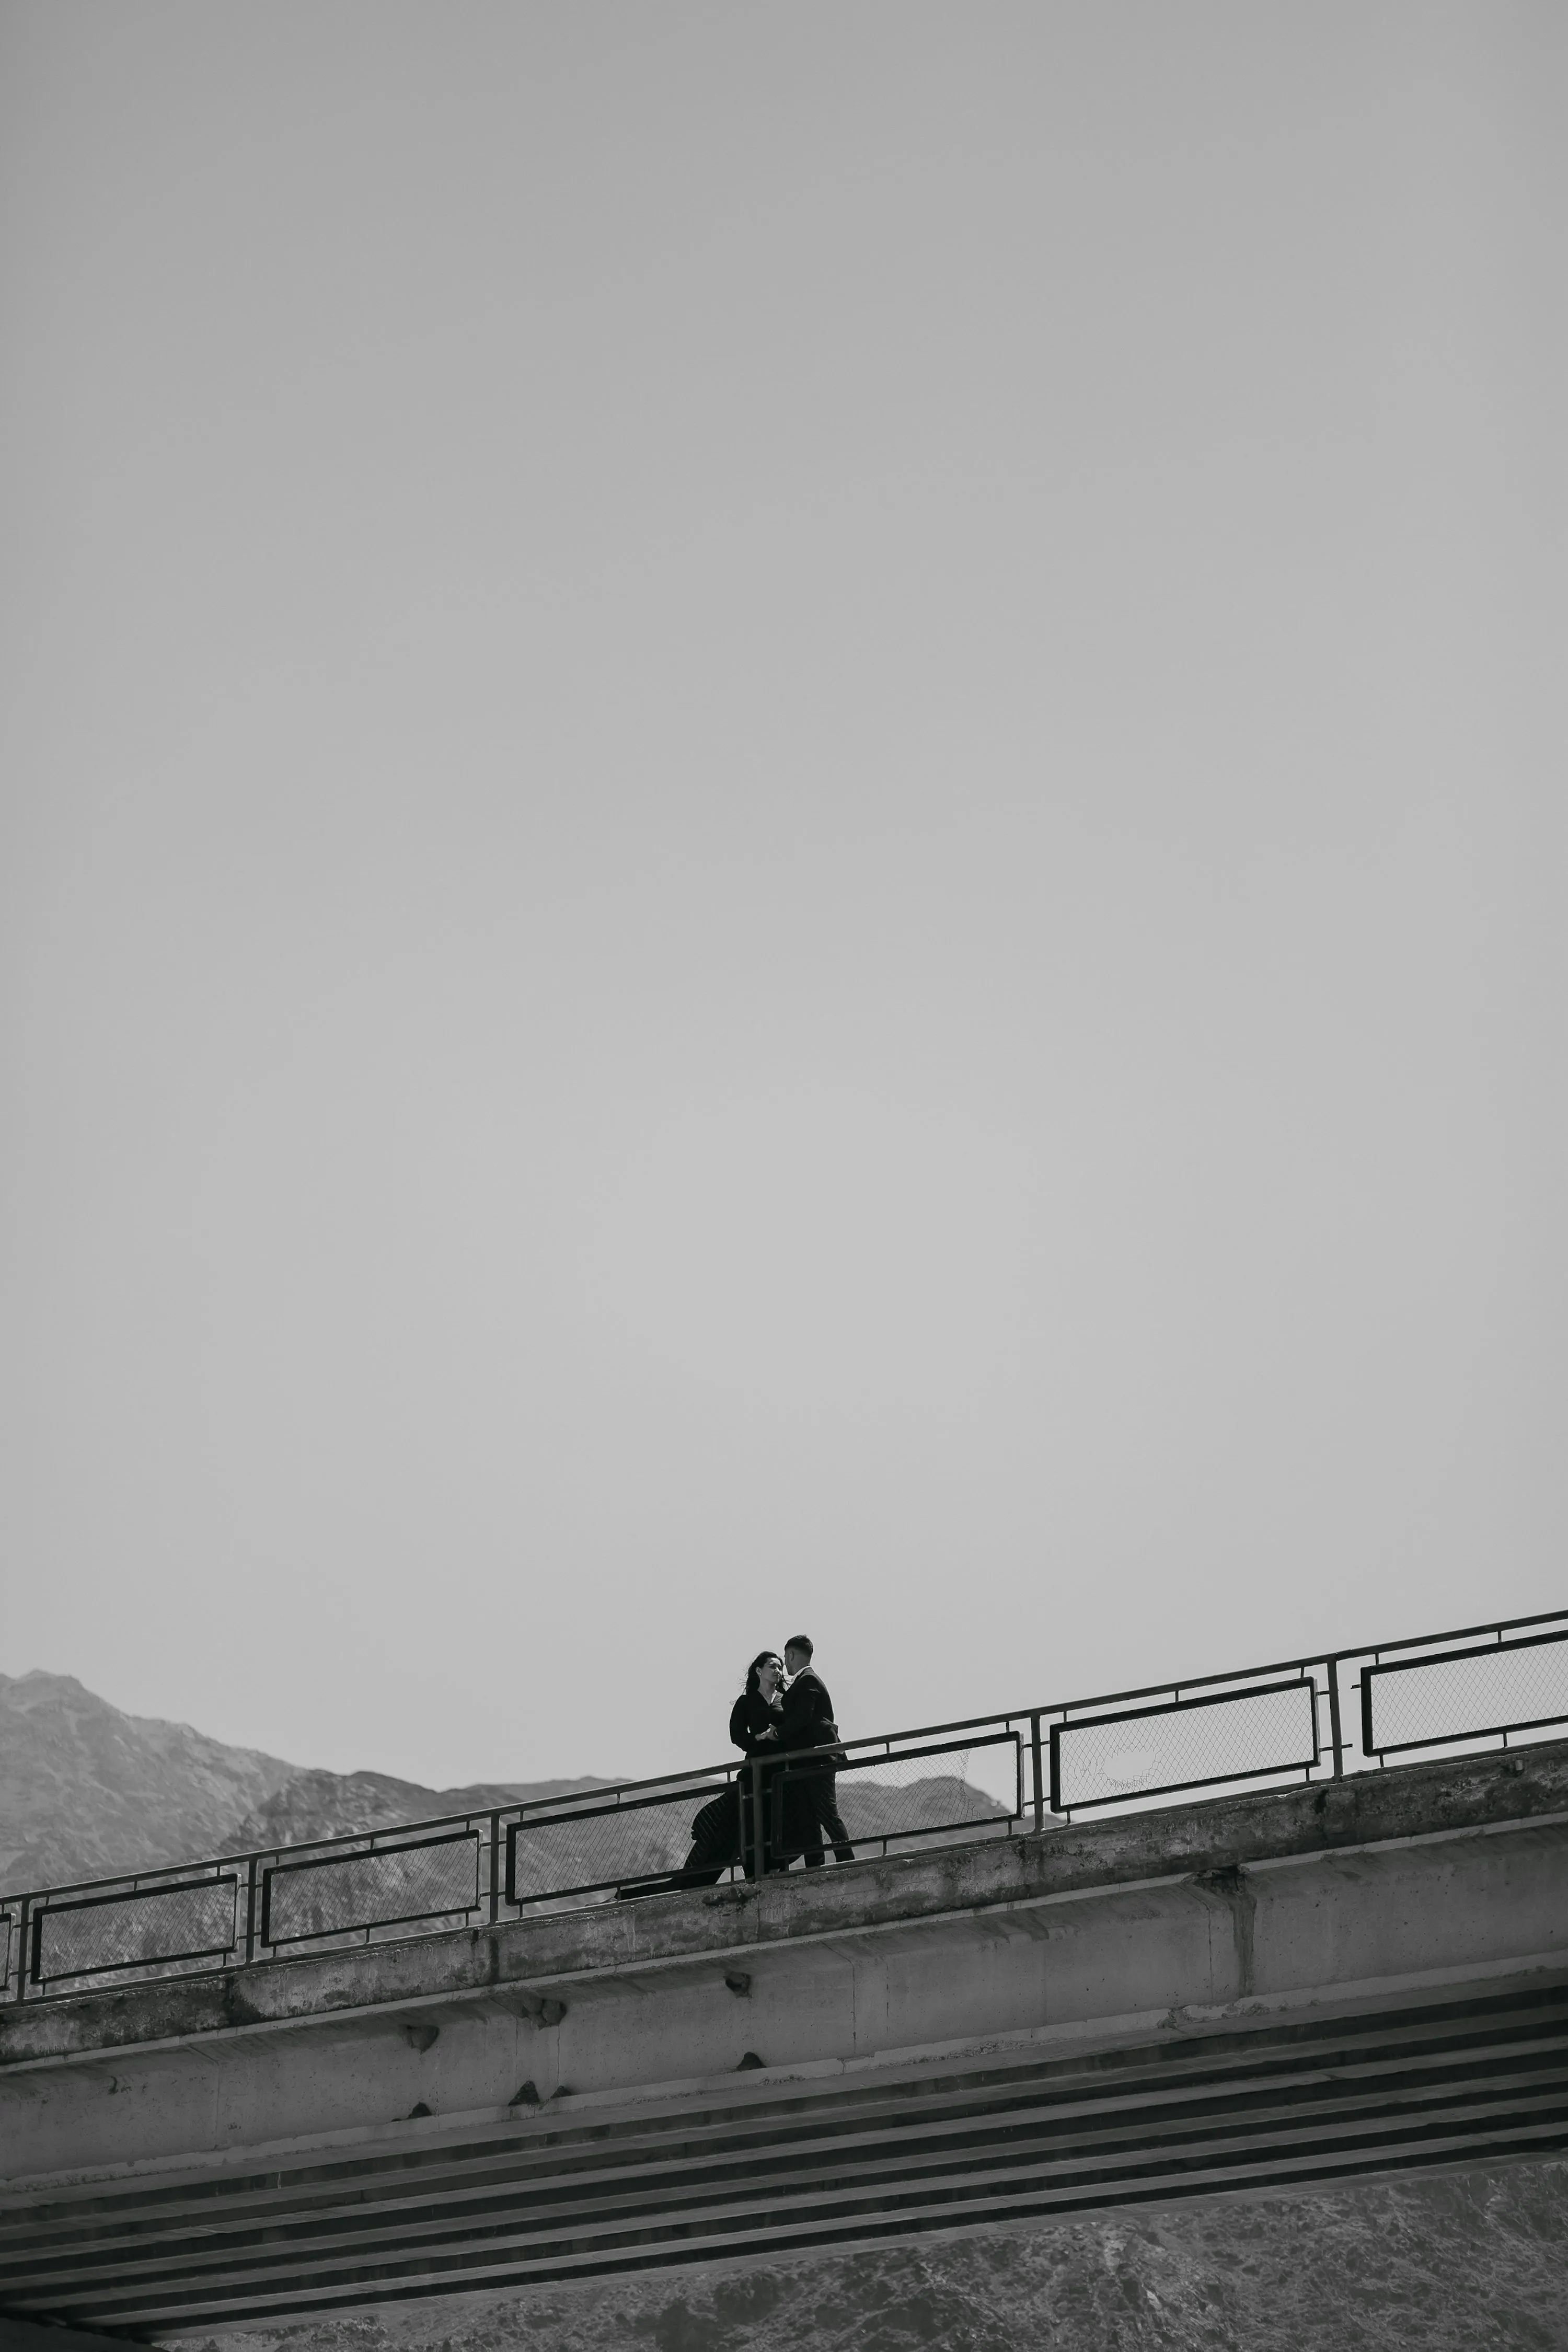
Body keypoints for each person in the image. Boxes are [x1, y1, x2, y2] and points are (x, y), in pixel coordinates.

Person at [677, 1651, 785, 1885]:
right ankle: (752, 1876)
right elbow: (736, 1736)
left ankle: (777, 1872)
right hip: (755, 1770)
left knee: (778, 1822)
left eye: (780, 1667)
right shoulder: (746, 1702)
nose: (778, 1671)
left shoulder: (785, 1699)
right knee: (750, 1823)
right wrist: (757, 1739)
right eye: (772, 1666)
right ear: (759, 1671)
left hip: (781, 1772)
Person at [778, 1634, 855, 1868]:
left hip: (818, 1760)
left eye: (786, 1657)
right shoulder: (806, 1682)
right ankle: (816, 1868)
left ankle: (847, 1863)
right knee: (810, 1818)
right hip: (809, 1761)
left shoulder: (809, 1681)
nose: (785, 1662)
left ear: (791, 1654)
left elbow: (803, 1718)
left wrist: (777, 1733)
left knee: (826, 1813)